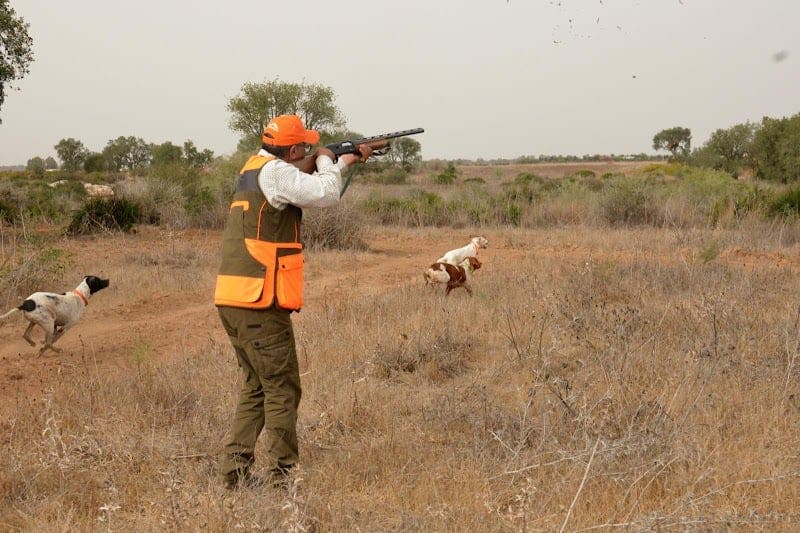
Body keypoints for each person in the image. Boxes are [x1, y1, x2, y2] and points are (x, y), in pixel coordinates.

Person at [214, 114, 372, 488]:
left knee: (258, 385)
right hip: (260, 301)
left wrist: (343, 160)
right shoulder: (277, 174)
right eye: (304, 146)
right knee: (283, 388)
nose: (307, 149)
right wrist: (325, 160)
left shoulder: (254, 167)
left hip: (236, 297)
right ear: (295, 149)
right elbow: (326, 193)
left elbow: (315, 186)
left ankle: (232, 476)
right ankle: (283, 478)